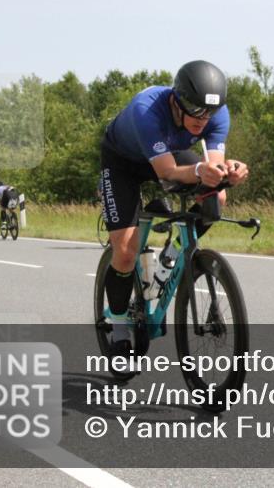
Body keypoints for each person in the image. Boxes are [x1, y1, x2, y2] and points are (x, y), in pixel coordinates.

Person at [99, 60, 249, 364]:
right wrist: (198, 170)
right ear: (176, 100)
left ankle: (172, 254)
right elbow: (167, 171)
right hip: (123, 161)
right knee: (126, 252)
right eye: (194, 109)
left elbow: (214, 164)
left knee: (216, 197)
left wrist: (228, 172)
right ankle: (118, 326)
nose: (201, 119)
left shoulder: (216, 115)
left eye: (208, 112)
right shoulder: (147, 110)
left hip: (167, 151)